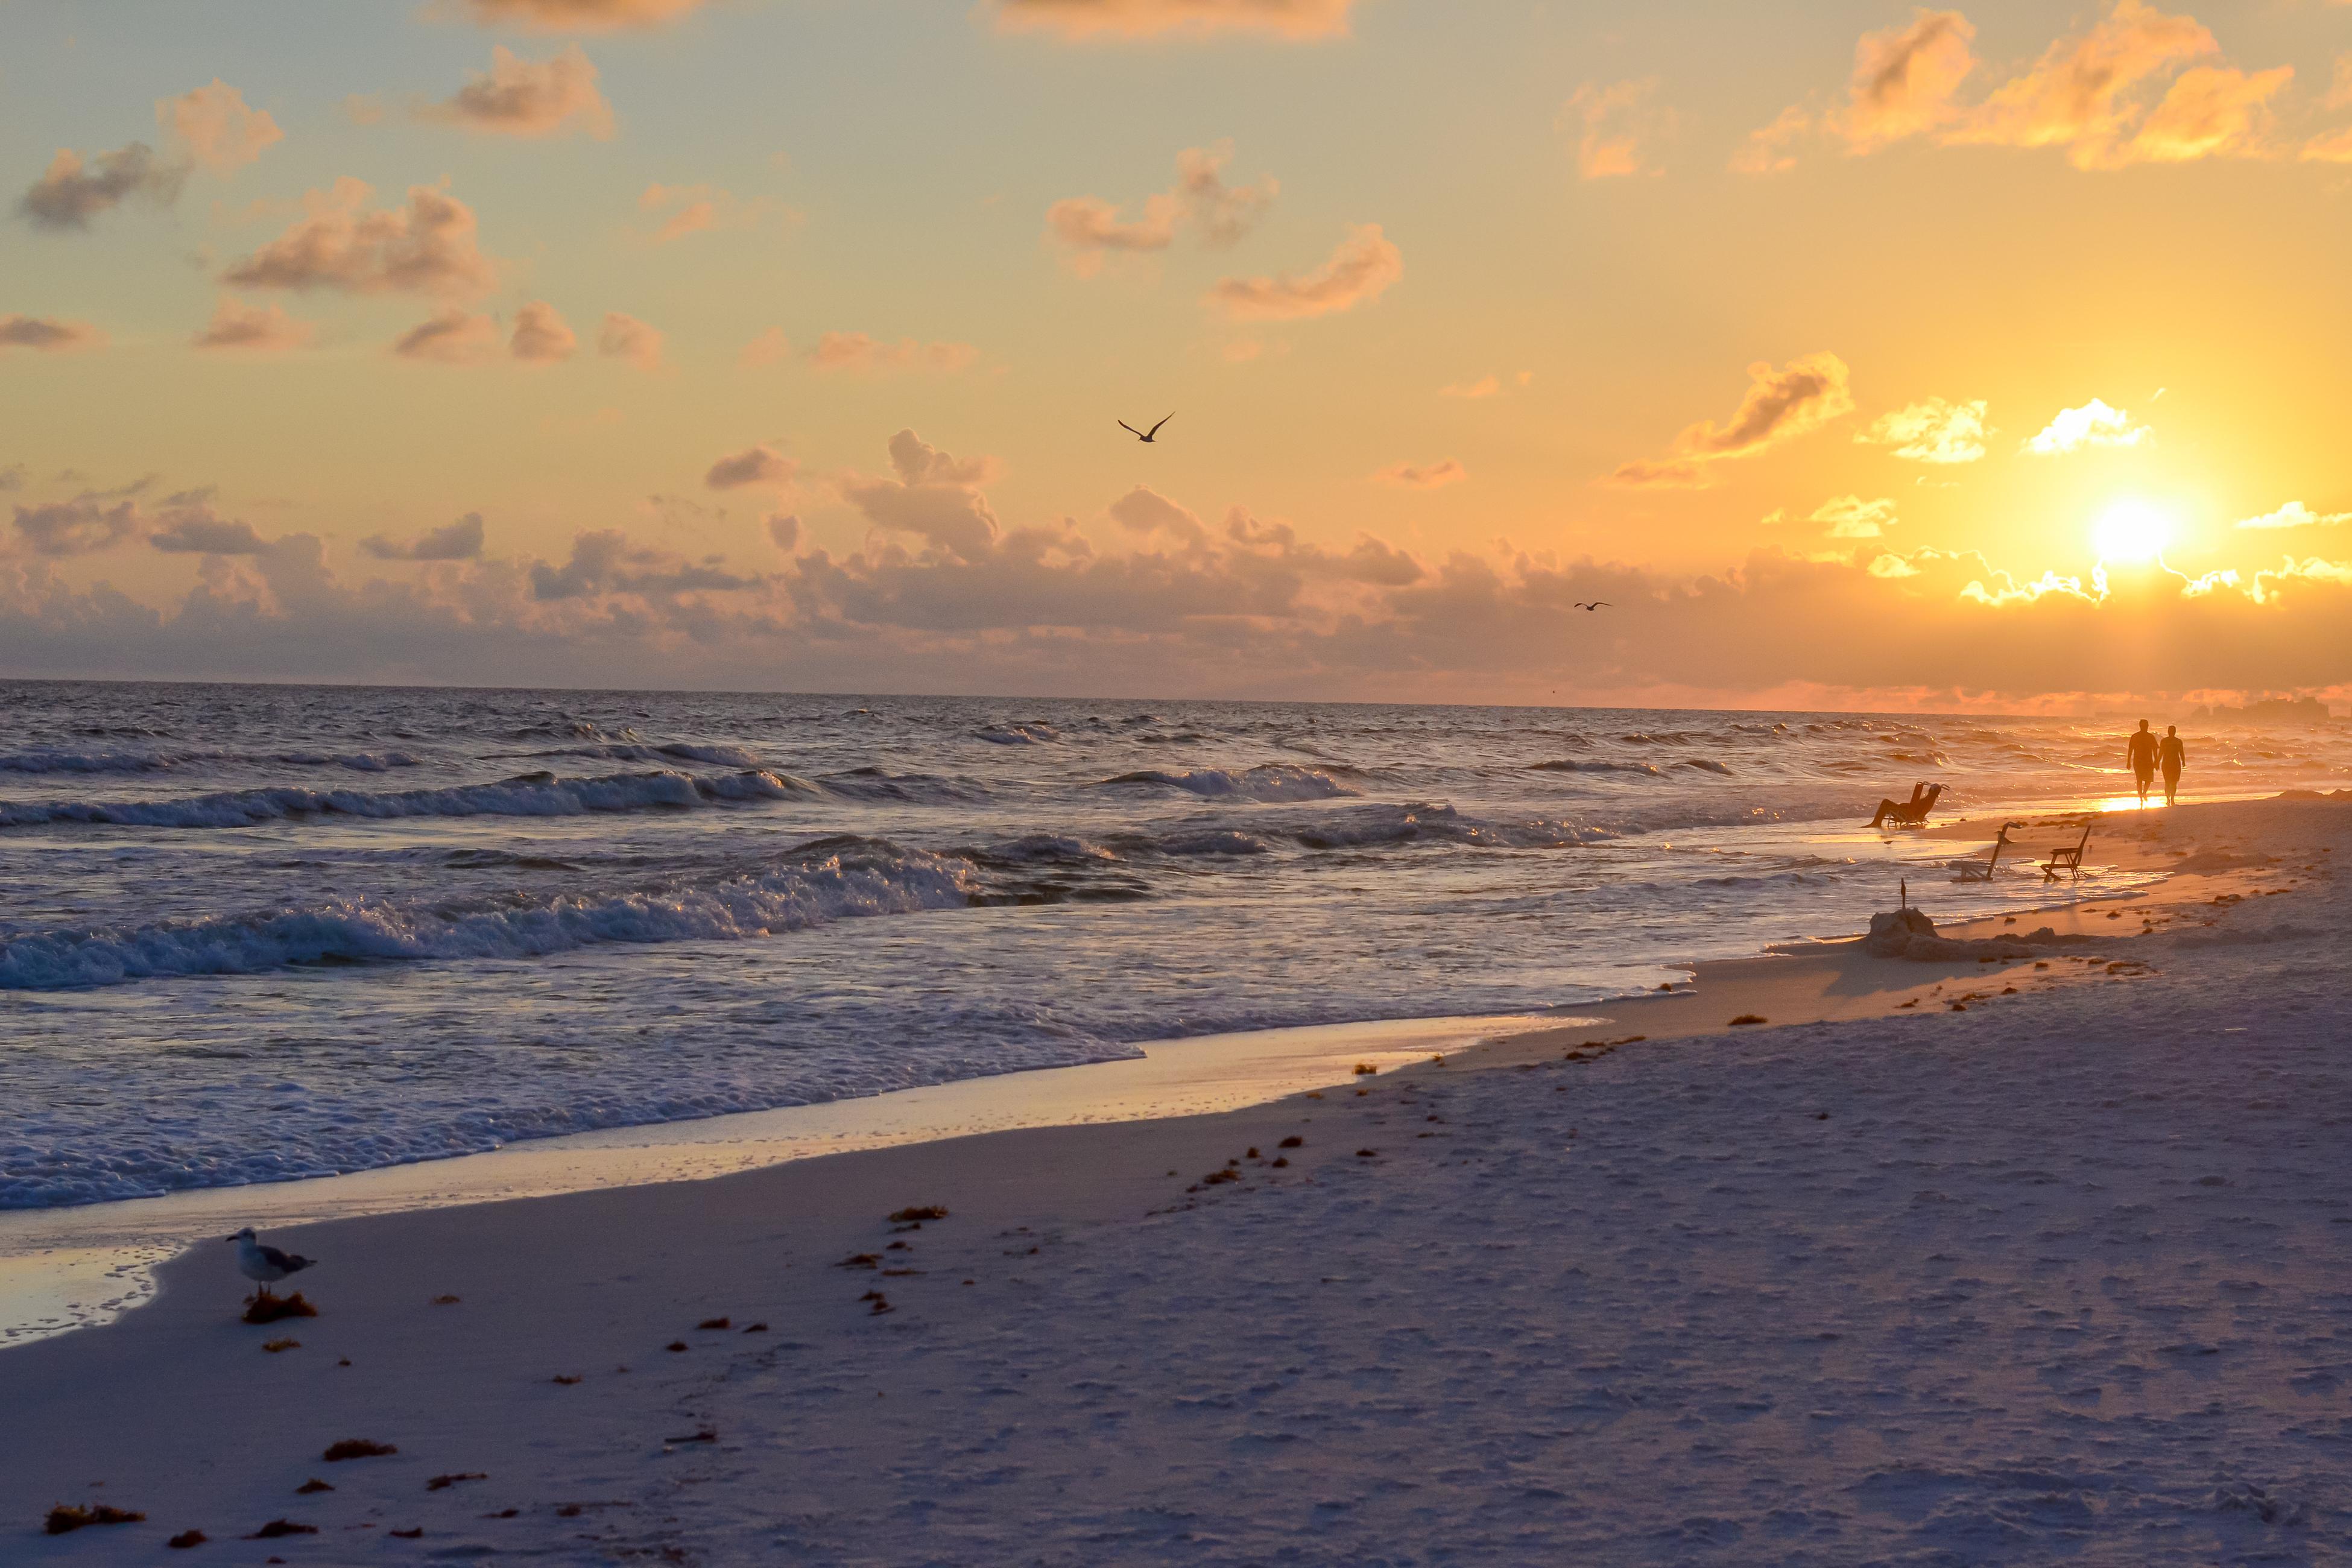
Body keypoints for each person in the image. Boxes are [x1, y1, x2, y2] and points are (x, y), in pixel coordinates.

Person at [2126, 719, 2160, 806]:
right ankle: (2141, 797)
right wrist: (2128, 762)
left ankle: (2144, 793)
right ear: (2141, 726)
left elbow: (2155, 750)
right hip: (2138, 762)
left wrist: (2156, 761)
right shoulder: (2135, 736)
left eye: (2147, 726)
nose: (2146, 727)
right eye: (2145, 726)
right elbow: (2130, 750)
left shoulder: (2150, 737)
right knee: (2139, 780)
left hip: (2148, 762)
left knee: (2148, 780)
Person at [2160, 724, 2187, 806]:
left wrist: (2183, 760)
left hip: (2171, 763)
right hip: (2171, 764)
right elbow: (2161, 753)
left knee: (2170, 782)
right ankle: (2170, 799)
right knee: (2171, 782)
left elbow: (2181, 752)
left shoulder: (2170, 741)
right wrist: (2183, 761)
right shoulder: (2176, 741)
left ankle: (2170, 799)